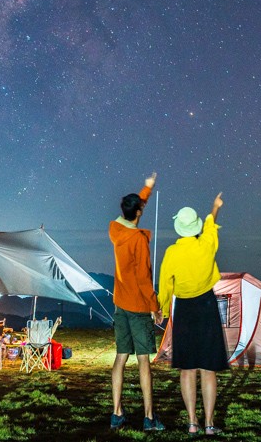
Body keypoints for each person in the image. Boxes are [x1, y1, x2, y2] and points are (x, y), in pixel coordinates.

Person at [158, 192, 227, 436]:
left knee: (187, 369)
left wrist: (163, 309)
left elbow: (165, 283)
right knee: (208, 369)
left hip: (185, 309)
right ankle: (209, 424)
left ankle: (191, 423)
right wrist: (215, 206)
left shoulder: (172, 253)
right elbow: (210, 225)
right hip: (207, 306)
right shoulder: (206, 244)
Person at [109, 172, 165, 432]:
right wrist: (156, 308)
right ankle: (149, 417)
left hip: (120, 305)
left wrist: (147, 188)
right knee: (143, 361)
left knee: (121, 357)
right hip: (139, 307)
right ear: (139, 213)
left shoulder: (115, 230)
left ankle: (117, 412)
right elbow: (144, 279)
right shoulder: (138, 241)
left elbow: (134, 208)